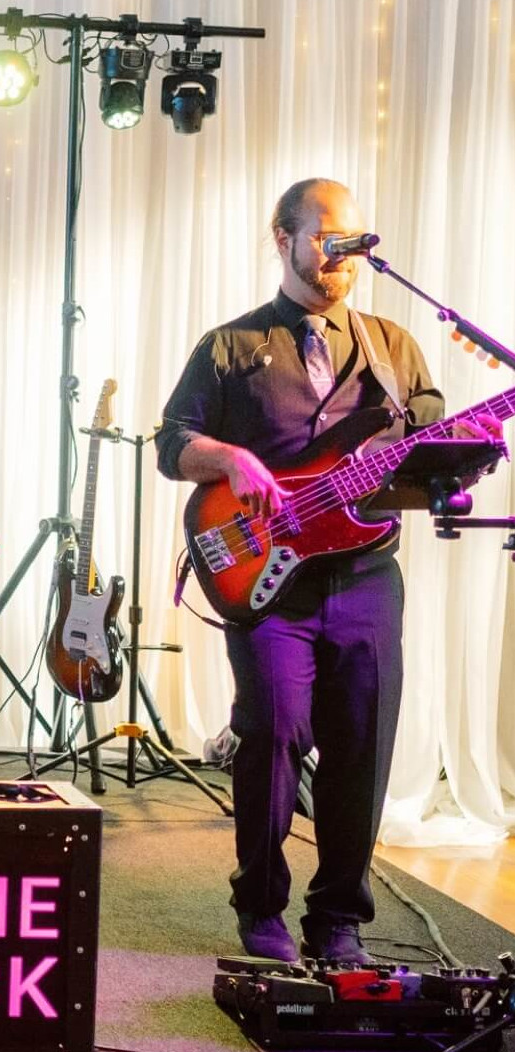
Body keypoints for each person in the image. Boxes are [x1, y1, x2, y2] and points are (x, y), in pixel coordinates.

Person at [155, 178, 502, 964]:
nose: (339, 256)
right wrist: (229, 459)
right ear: (282, 238)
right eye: (324, 238)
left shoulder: (392, 346)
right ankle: (260, 902)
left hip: (366, 574)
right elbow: (169, 443)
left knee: (362, 741)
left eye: (350, 241)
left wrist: (458, 460)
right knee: (272, 729)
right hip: (266, 575)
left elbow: (429, 464)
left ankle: (339, 916)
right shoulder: (228, 346)